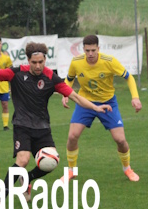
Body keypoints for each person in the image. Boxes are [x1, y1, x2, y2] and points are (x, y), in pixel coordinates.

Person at [0, 36, 112, 203]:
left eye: (41, 62)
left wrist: (96, 108)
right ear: (28, 60)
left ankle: (27, 178)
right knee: (22, 160)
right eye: (34, 62)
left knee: (51, 162)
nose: (38, 66)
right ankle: (0, 198)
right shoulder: (16, 73)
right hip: (22, 125)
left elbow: (76, 97)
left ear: (45, 60)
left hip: (42, 127)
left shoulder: (51, 77)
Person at [60, 34, 143, 183]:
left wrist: (135, 97)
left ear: (98, 48)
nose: (90, 54)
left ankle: (127, 168)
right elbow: (69, 79)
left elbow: (129, 77)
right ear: (83, 49)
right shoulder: (76, 62)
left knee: (120, 139)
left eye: (93, 50)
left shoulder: (109, 62)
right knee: (72, 136)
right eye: (87, 50)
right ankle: (72, 170)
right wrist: (66, 93)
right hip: (85, 103)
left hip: (108, 103)